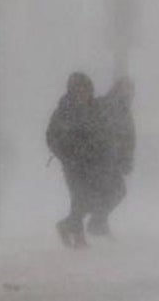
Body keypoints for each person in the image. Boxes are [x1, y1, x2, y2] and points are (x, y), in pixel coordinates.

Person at [47, 72, 103, 248]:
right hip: (73, 163)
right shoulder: (64, 110)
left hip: (92, 162)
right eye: (79, 89)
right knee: (79, 197)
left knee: (90, 199)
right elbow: (51, 136)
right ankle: (78, 236)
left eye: (86, 89)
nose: (83, 93)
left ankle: (66, 225)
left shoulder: (94, 109)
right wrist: (65, 155)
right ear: (72, 90)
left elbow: (101, 132)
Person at [89, 77, 137, 238]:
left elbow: (129, 139)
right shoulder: (104, 105)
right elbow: (96, 129)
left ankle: (98, 223)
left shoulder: (125, 111)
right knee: (113, 191)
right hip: (101, 158)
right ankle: (96, 224)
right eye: (126, 89)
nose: (129, 94)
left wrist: (127, 160)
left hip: (112, 160)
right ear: (117, 89)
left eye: (131, 90)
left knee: (116, 191)